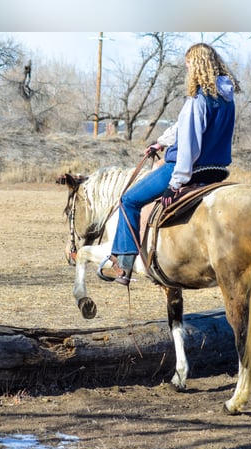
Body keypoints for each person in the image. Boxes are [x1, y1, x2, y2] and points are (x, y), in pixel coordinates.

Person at [98, 43, 240, 286]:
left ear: (197, 66)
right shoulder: (227, 99)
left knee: (128, 200)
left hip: (188, 169)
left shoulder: (198, 99)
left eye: (188, 65)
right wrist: (161, 142)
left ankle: (122, 265)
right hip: (216, 171)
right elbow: (183, 127)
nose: (187, 70)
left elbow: (189, 146)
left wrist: (176, 183)